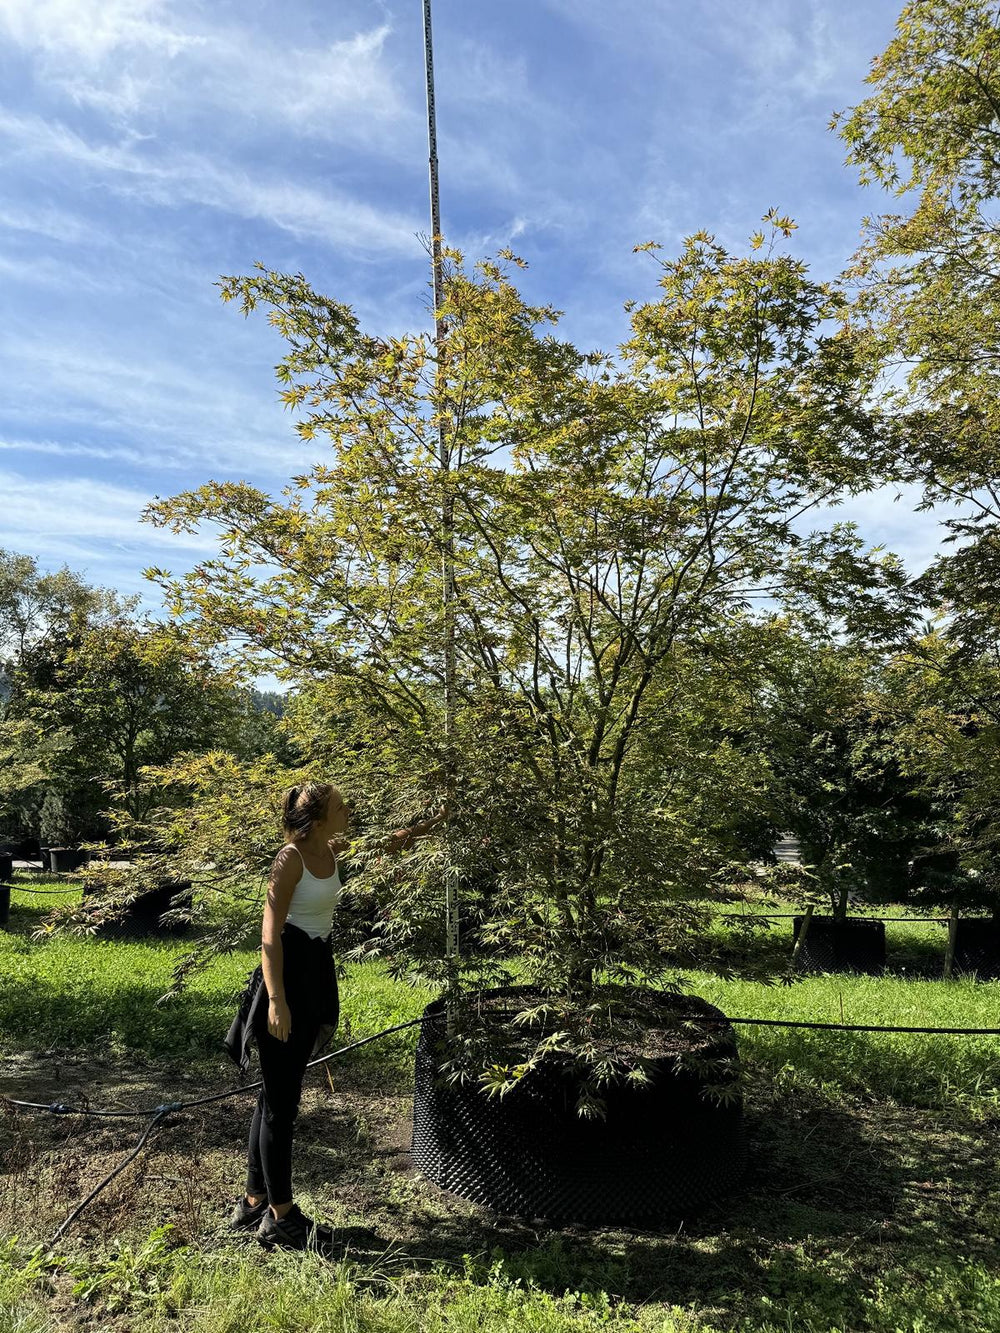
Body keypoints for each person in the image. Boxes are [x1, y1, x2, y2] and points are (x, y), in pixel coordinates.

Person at [224, 780, 445, 1251]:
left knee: (275, 1096)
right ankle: (281, 1217)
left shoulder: (330, 847)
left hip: (314, 973)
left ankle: (254, 1198)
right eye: (342, 805)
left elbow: (390, 842)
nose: (351, 809)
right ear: (319, 819)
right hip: (286, 979)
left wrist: (437, 822)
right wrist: (277, 1001)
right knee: (281, 1104)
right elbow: (269, 936)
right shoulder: (290, 859)